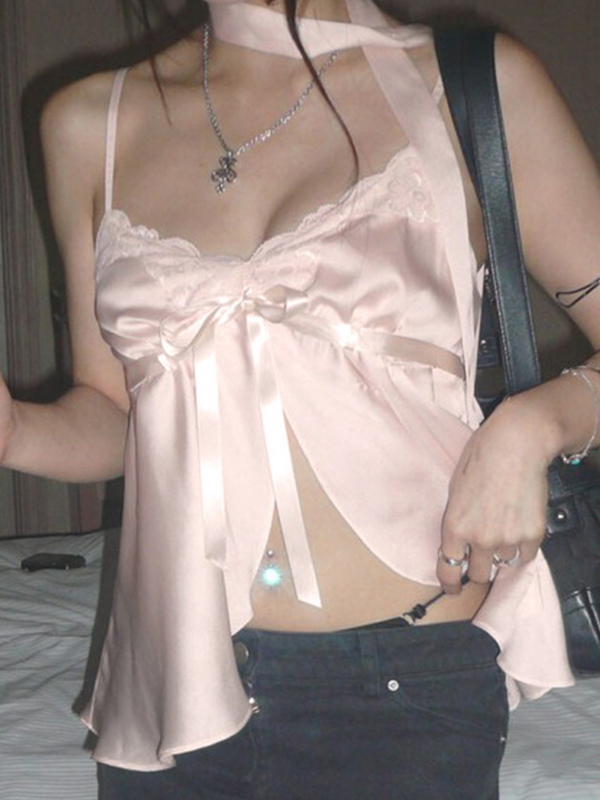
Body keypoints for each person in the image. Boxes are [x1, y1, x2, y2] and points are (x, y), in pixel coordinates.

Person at [2, 0, 600, 796]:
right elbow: (116, 414)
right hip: (174, 685)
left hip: (404, 684)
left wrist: (532, 425)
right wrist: (14, 431)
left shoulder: (469, 84)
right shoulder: (87, 122)